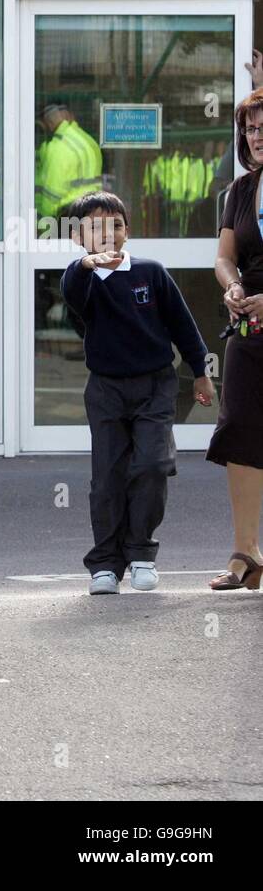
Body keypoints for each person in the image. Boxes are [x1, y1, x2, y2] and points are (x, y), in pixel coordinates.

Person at [61, 191, 214, 594]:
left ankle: (142, 553)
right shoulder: (84, 280)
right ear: (79, 237)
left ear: (127, 230)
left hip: (156, 385)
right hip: (106, 390)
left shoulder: (151, 272)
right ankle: (105, 564)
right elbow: (70, 293)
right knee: (107, 477)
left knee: (151, 465)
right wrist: (85, 266)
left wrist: (200, 371)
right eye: (95, 227)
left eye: (115, 224)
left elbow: (183, 325)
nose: (108, 233)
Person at [207, 89, 263, 591]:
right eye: (250, 128)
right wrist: (234, 286)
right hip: (249, 330)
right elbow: (224, 256)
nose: (256, 135)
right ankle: (246, 553)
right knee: (242, 434)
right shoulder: (241, 191)